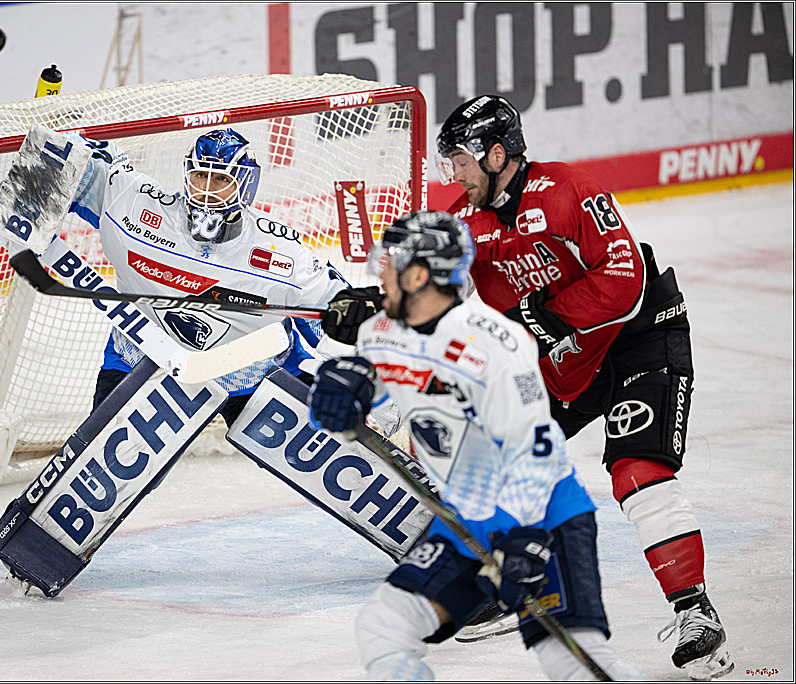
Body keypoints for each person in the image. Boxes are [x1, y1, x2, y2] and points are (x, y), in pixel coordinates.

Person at [434, 94, 732, 680]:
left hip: (637, 340)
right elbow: (434, 293)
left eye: (462, 161)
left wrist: (544, 319)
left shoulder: (568, 191)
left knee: (637, 471)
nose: (455, 175)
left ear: (497, 155)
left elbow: (624, 277)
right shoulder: (466, 222)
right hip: (565, 362)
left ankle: (696, 613)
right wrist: (379, 308)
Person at [307, 211, 638, 681]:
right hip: (468, 521)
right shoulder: (382, 331)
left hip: (543, 517)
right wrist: (343, 395)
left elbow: (535, 447)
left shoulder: (494, 345)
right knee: (384, 626)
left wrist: (524, 538)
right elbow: (368, 394)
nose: (380, 273)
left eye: (391, 262)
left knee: (573, 662)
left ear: (418, 276)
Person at [69, 127, 383, 422]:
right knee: (104, 461)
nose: (207, 190)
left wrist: (363, 375)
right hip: (142, 361)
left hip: (254, 375)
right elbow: (70, 171)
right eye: (199, 176)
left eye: (221, 179)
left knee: (335, 439)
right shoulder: (134, 206)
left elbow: (339, 316)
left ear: (245, 184)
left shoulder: (283, 252)